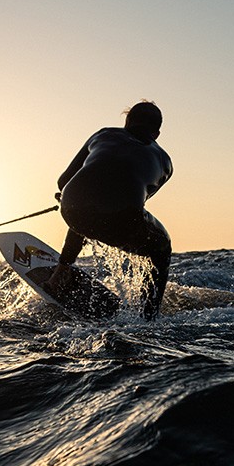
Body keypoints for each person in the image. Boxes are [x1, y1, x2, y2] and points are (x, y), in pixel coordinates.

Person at [48, 100, 173, 319]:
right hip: (122, 218)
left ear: (127, 121)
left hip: (73, 206)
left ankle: (60, 273)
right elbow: (135, 199)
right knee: (162, 247)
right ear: (157, 133)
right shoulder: (165, 162)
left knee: (87, 203)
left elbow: (63, 181)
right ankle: (148, 317)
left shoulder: (103, 134)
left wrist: (66, 196)